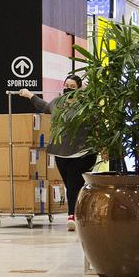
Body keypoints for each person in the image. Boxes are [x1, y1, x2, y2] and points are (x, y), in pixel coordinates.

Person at [19, 74, 94, 231]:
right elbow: (44, 106)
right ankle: (82, 212)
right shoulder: (58, 104)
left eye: (73, 87)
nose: (68, 89)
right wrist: (29, 95)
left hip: (82, 153)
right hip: (61, 153)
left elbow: (97, 121)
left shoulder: (86, 105)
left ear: (80, 89)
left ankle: (72, 216)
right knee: (71, 186)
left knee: (74, 186)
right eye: (67, 85)